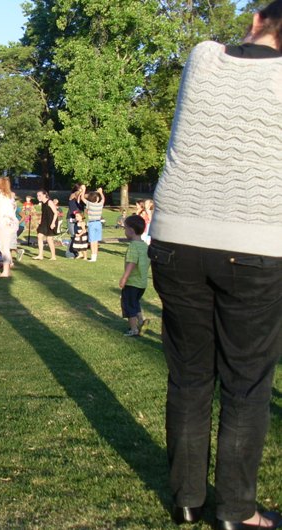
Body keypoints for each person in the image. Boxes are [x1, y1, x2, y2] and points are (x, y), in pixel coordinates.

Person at [149, 3, 282, 527]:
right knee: (246, 384)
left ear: (254, 22)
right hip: (256, 243)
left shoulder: (202, 58)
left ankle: (186, 500)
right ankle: (236, 510)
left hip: (176, 237)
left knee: (188, 377)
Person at [118, 215, 150, 337]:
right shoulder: (144, 246)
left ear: (131, 230)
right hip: (142, 283)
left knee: (129, 305)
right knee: (135, 303)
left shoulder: (133, 246)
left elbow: (132, 263)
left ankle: (133, 329)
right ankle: (141, 322)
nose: (125, 231)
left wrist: (124, 278)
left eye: (125, 228)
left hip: (132, 282)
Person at [34, 189, 58, 260]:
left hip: (51, 221)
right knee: (39, 236)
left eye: (40, 195)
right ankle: (40, 255)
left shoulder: (49, 202)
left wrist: (53, 223)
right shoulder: (42, 203)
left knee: (49, 239)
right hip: (44, 221)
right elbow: (44, 213)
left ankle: (53, 256)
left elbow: (56, 213)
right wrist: (40, 220)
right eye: (37, 195)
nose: (38, 197)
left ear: (44, 195)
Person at [84, 187, 105, 262]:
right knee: (96, 241)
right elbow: (103, 199)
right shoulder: (100, 205)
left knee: (92, 241)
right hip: (98, 223)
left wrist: (83, 190)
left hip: (92, 223)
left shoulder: (90, 204)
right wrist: (101, 192)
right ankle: (95, 256)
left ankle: (93, 257)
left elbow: (83, 199)